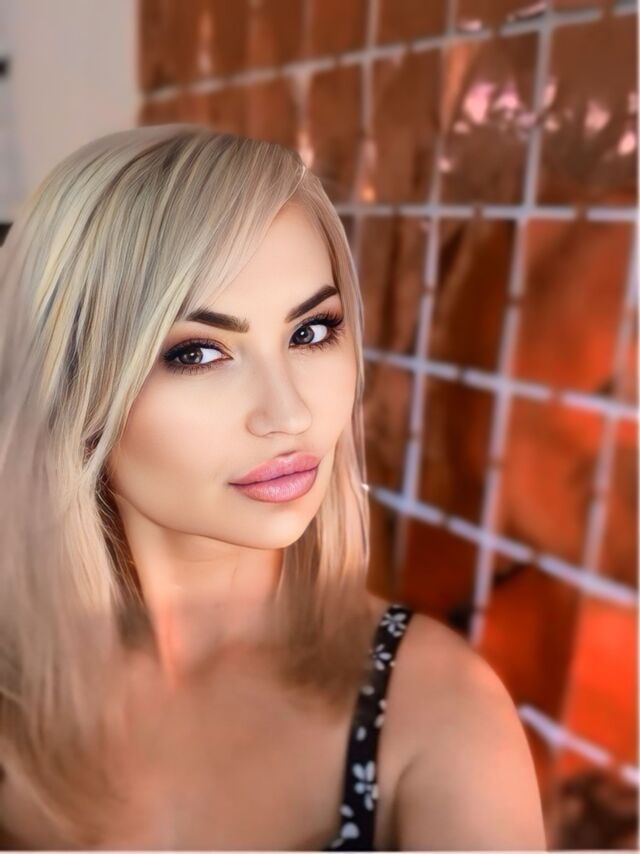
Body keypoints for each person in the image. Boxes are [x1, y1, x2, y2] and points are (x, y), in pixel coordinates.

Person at [0, 124, 547, 850]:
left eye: (311, 332)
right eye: (198, 352)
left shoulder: (437, 713)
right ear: (67, 385)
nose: (289, 414)